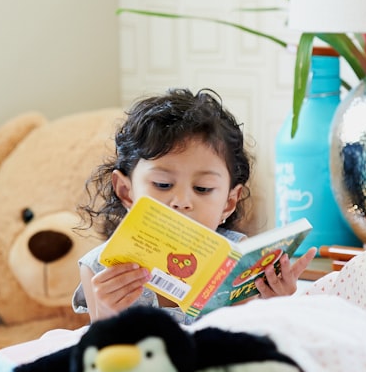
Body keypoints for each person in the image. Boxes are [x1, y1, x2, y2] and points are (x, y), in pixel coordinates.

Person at [72, 88, 317, 325]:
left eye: (202, 188)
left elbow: (243, 341)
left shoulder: (237, 260)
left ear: (229, 202)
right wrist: (105, 316)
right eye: (163, 184)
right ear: (126, 191)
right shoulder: (100, 268)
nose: (182, 201)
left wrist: (273, 304)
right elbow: (100, 356)